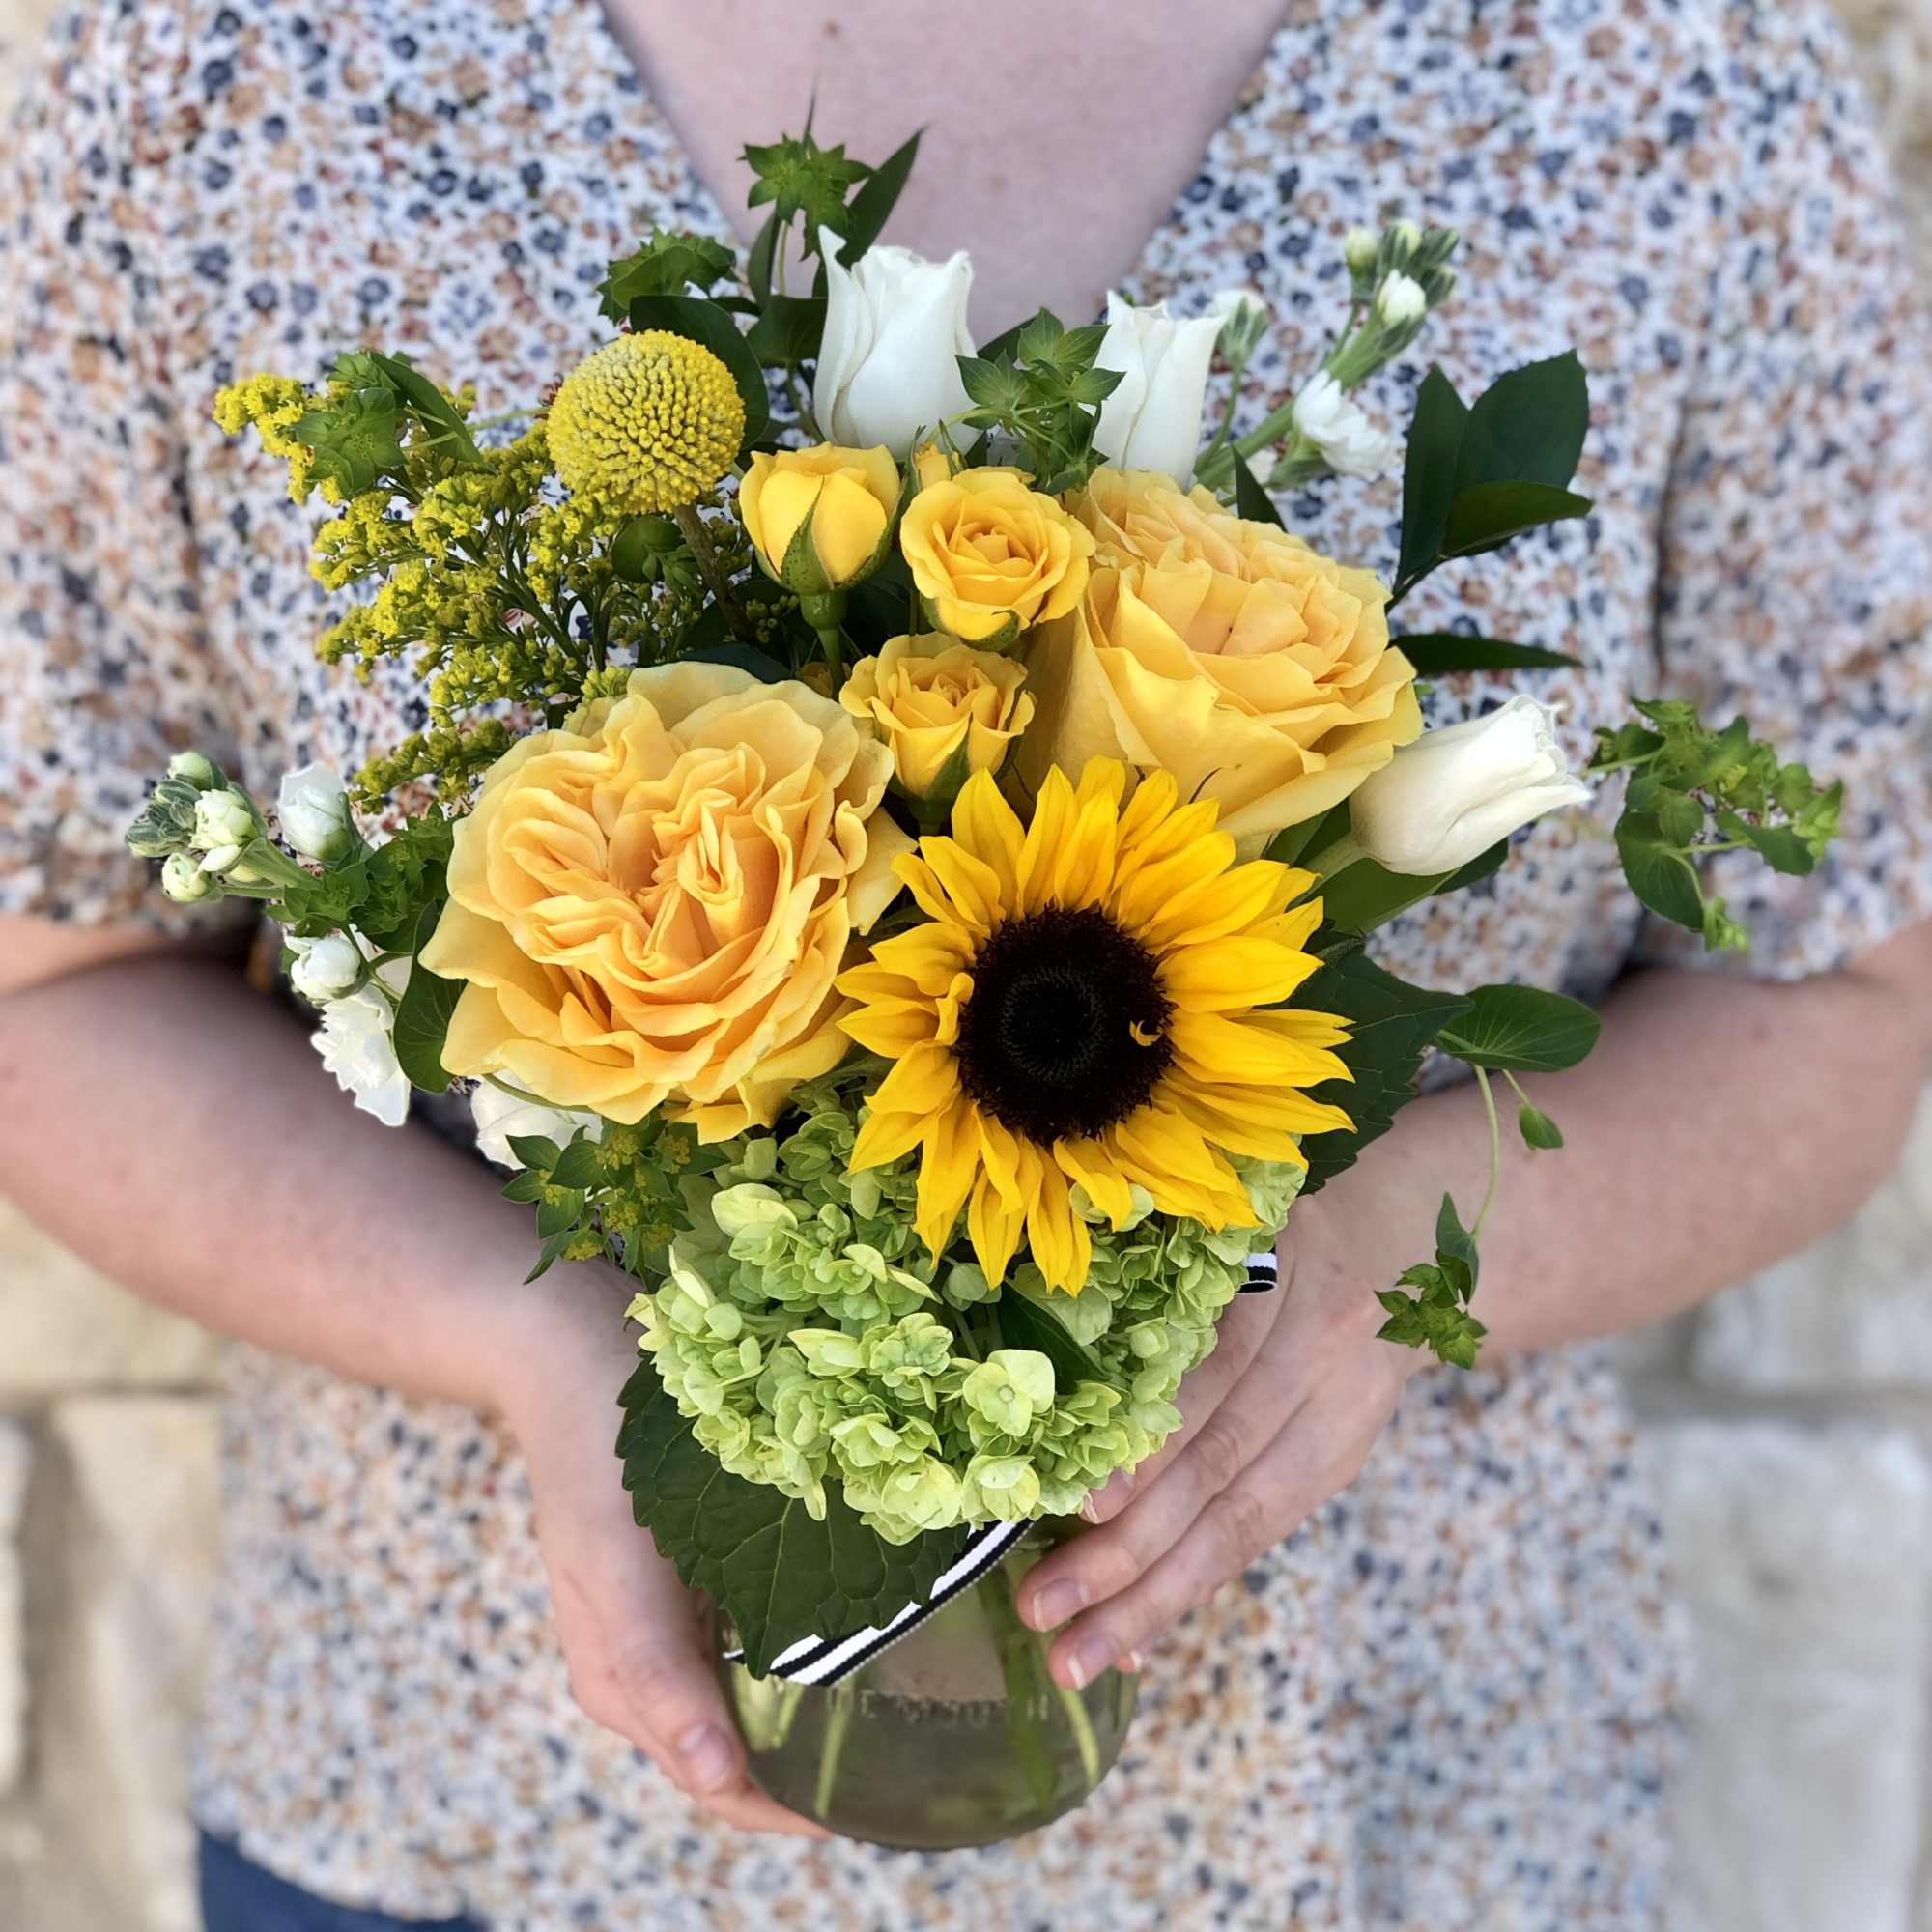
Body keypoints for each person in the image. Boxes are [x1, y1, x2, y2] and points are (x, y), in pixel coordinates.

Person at [3, 0, 1930, 1926]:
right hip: (483, 1814)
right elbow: (50, 980)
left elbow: (1842, 974)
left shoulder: (1650, 72)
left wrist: (1387, 1268)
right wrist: (537, 1343)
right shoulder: (215, 74)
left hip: (1382, 1810)